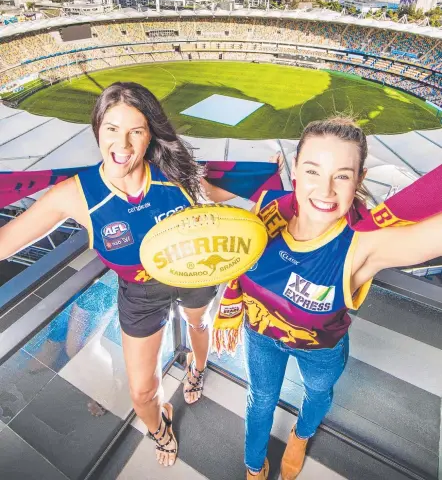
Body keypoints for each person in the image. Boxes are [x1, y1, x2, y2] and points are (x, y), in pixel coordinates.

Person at [0, 82, 242, 468]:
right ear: (97, 129)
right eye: (112, 128)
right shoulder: (75, 194)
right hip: (140, 293)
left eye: (136, 130)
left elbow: (216, 193)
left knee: (200, 326)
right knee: (142, 392)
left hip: (194, 274)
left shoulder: (174, 173)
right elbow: (6, 240)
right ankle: (161, 429)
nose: (123, 143)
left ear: (150, 136)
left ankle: (197, 369)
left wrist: (270, 184)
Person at [216, 117, 442, 480]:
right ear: (294, 173)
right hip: (259, 337)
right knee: (259, 401)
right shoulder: (266, 206)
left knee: (317, 395)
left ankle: (301, 435)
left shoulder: (363, 244)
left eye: (342, 175)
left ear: (359, 180)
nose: (325, 190)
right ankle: (254, 466)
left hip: (320, 349)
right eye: (312, 171)